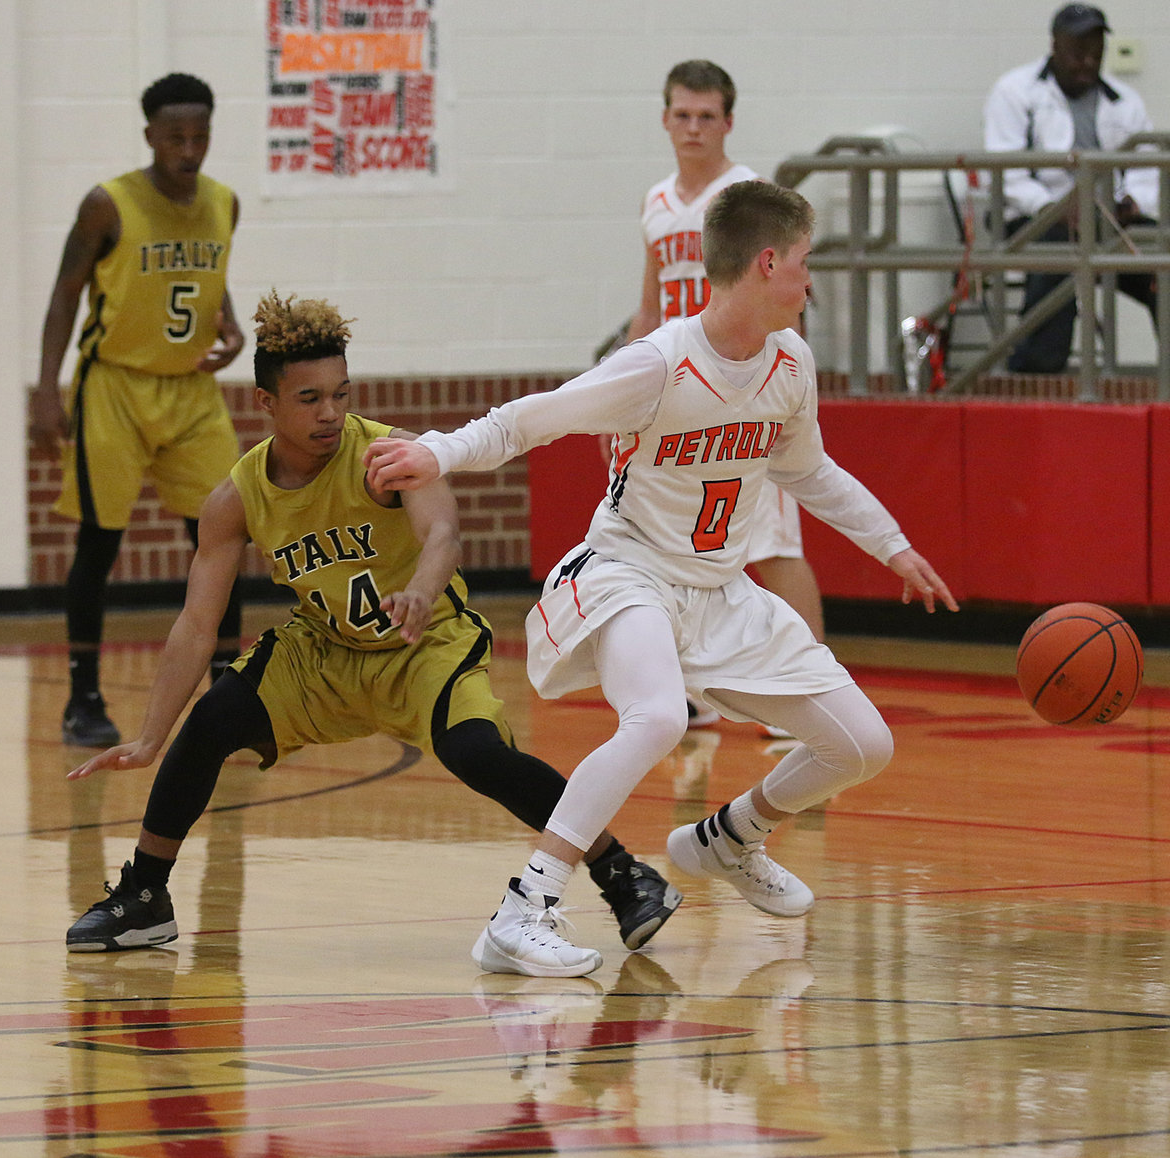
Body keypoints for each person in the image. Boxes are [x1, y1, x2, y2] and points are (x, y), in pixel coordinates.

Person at [365, 180, 959, 978]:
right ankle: (524, 908)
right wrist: (438, 450)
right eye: (806, 263)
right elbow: (533, 418)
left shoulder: (790, 363)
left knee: (863, 743)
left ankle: (727, 839)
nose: (811, 282)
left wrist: (891, 545)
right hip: (626, 572)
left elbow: (808, 469)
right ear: (767, 262)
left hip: (723, 591)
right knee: (654, 718)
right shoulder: (659, 364)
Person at [64, 291, 680, 960]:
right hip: (325, 654)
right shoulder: (236, 498)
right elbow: (194, 625)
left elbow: (442, 531)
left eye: (339, 393)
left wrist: (419, 590)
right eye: (308, 399)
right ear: (265, 404)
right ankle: (145, 896)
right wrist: (153, 735)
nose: (329, 412)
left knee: (478, 754)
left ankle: (622, 873)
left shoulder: (387, 454)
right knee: (211, 720)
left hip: (423, 646)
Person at [31, 73, 246, 748]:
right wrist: (45, 389)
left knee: (226, 533)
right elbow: (67, 294)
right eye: (176, 136)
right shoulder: (108, 204)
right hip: (115, 386)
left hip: (189, 391)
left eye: (201, 135)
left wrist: (231, 325)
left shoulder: (224, 202)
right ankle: (83, 698)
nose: (190, 148)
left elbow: (206, 277)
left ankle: (226, 694)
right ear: (150, 134)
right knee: (100, 540)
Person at [625, 60, 825, 730]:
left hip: (742, 387)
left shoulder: (747, 197)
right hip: (677, 393)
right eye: (682, 114)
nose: (693, 127)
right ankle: (689, 690)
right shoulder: (655, 202)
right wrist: (625, 394)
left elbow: (785, 295)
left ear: (728, 122)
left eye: (706, 116)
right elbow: (649, 307)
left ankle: (809, 689)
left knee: (774, 542)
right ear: (664, 118)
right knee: (672, 542)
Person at [983, 3, 1160, 373]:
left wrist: (1132, 201)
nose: (1087, 63)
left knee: (1161, 256)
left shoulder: (1125, 102)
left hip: (1107, 222)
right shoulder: (1015, 92)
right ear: (1055, 46)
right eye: (1078, 53)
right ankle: (1038, 375)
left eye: (1096, 54)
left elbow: (1145, 172)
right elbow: (1005, 176)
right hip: (1032, 219)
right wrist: (1056, 207)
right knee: (1058, 255)